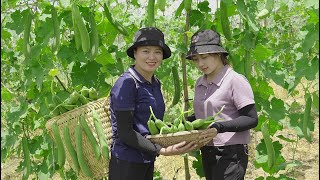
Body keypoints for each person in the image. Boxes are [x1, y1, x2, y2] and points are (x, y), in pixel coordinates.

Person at [108, 27, 214, 180]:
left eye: (157, 52)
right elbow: (125, 133)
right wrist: (161, 150)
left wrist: (197, 121)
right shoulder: (126, 84)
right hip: (126, 163)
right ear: (135, 53)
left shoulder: (155, 83)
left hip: (146, 159)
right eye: (146, 51)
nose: (152, 57)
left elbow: (149, 125)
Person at [185, 29, 259, 180]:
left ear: (218, 54)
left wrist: (219, 128)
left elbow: (251, 118)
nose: (200, 63)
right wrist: (184, 123)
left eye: (204, 57)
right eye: (195, 59)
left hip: (231, 153)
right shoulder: (200, 82)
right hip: (207, 150)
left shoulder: (234, 80)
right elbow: (206, 115)